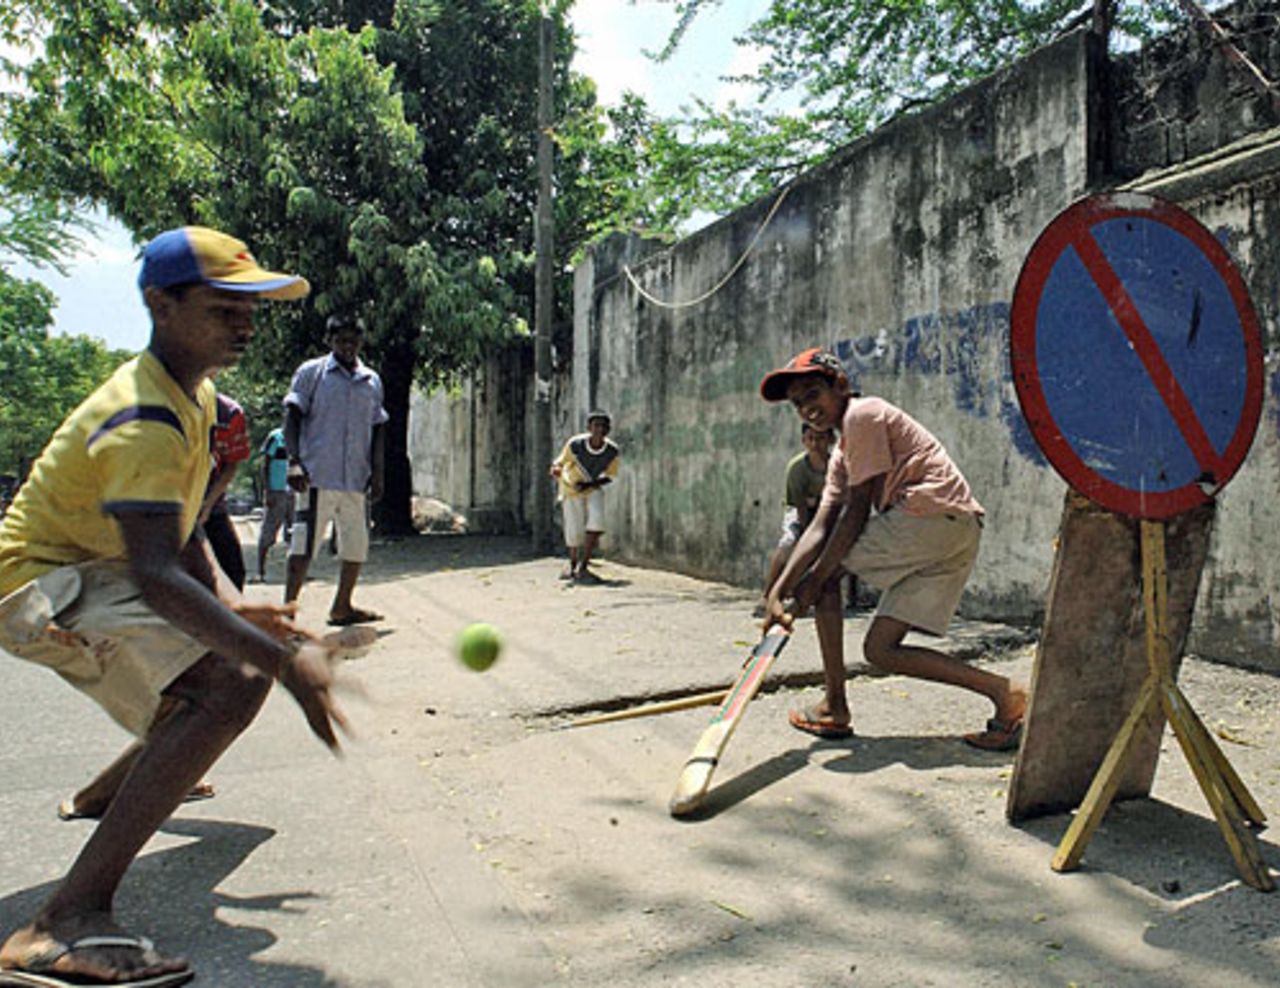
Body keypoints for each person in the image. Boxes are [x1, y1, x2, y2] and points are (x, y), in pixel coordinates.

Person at [0, 225, 348, 986]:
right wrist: (280, 662)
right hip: (35, 585)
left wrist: (237, 609)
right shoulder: (144, 416)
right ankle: (61, 924)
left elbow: (184, 536)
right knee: (231, 682)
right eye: (225, 307)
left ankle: (103, 795)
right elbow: (158, 575)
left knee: (219, 661)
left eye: (251, 308)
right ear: (161, 304)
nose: (245, 323)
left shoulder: (191, 402)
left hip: (87, 569)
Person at [759, 347, 1027, 750]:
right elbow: (819, 525)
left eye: (813, 394)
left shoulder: (862, 414)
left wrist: (811, 585)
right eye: (798, 404)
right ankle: (1008, 695)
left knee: (826, 580)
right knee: (881, 650)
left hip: (928, 517)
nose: (807, 409)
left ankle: (834, 705)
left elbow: (854, 514)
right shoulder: (841, 456)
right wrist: (778, 592)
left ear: (841, 385)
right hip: (954, 529)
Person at [283, 315, 387, 625]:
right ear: (329, 341)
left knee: (356, 545)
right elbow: (291, 415)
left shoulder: (371, 380)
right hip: (316, 477)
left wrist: (378, 472)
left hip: (355, 478)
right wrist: (294, 461)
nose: (347, 346)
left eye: (353, 340)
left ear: (361, 342)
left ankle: (342, 606)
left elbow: (378, 427)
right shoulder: (311, 373)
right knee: (304, 546)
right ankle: (286, 613)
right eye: (341, 340)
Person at [757, 422, 835, 616]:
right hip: (799, 510)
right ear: (803, 441)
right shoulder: (797, 467)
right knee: (790, 541)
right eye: (811, 439)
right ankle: (768, 595)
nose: (815, 443)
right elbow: (799, 504)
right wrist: (807, 530)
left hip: (827, 509)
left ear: (831, 440)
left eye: (821, 438)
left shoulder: (837, 465)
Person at [550, 411, 621, 584]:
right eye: (596, 425)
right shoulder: (576, 444)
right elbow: (560, 462)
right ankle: (573, 563)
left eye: (604, 426)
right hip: (571, 488)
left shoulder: (612, 451)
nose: (600, 430)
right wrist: (556, 470)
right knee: (574, 528)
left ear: (608, 430)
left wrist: (589, 485)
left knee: (596, 522)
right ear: (589, 428)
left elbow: (610, 476)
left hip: (592, 487)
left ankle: (584, 564)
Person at [200, 392, 251, 591]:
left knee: (232, 572)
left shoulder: (229, 413)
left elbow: (231, 464)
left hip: (210, 508)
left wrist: (208, 504)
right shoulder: (161, 406)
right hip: (167, 506)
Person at [254, 424, 294, 582]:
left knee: (297, 533)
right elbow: (266, 464)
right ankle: (260, 570)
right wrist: (268, 490)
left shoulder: (302, 438)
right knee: (269, 530)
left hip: (296, 490)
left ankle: (295, 572)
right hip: (277, 490)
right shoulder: (275, 437)